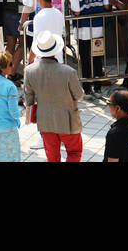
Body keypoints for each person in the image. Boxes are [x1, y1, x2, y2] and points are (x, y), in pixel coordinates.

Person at [22, 29, 84, 161]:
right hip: (68, 121)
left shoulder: (29, 71)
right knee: (74, 152)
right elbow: (79, 96)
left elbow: (29, 99)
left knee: (52, 156)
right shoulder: (69, 72)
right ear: (56, 49)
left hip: (45, 121)